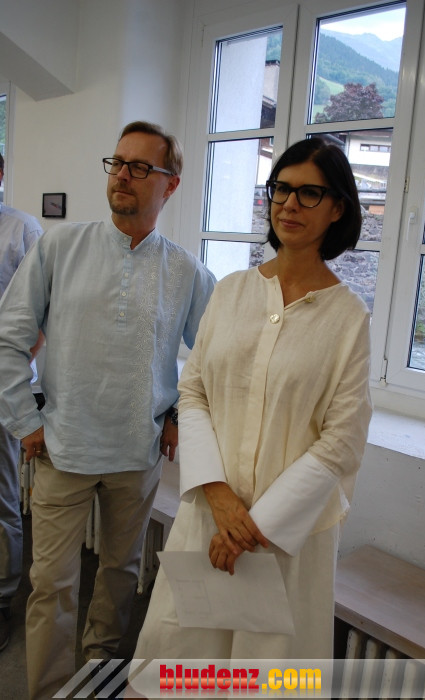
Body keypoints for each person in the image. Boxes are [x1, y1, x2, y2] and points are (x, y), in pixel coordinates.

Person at [132, 137, 372, 670]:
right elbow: (195, 391)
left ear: (338, 208)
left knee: (263, 672)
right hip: (210, 516)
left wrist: (255, 526)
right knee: (180, 661)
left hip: (285, 537)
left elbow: (342, 439)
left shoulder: (347, 317)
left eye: (310, 193)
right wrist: (220, 497)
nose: (289, 204)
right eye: (281, 189)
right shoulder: (232, 291)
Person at [0, 122, 215, 699]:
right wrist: (25, 421)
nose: (122, 175)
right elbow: (8, 338)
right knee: (51, 584)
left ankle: (98, 678)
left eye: (140, 167)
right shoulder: (60, 247)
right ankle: (46, 690)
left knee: (119, 577)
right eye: (118, 162)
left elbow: (216, 357)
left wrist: (177, 416)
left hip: (136, 453)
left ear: (171, 184)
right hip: (62, 446)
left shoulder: (186, 272)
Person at [0, 153, 44, 654]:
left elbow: (42, 311)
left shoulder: (22, 229)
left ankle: (1, 597)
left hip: (2, 388)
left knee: (1, 496)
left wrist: (16, 363)